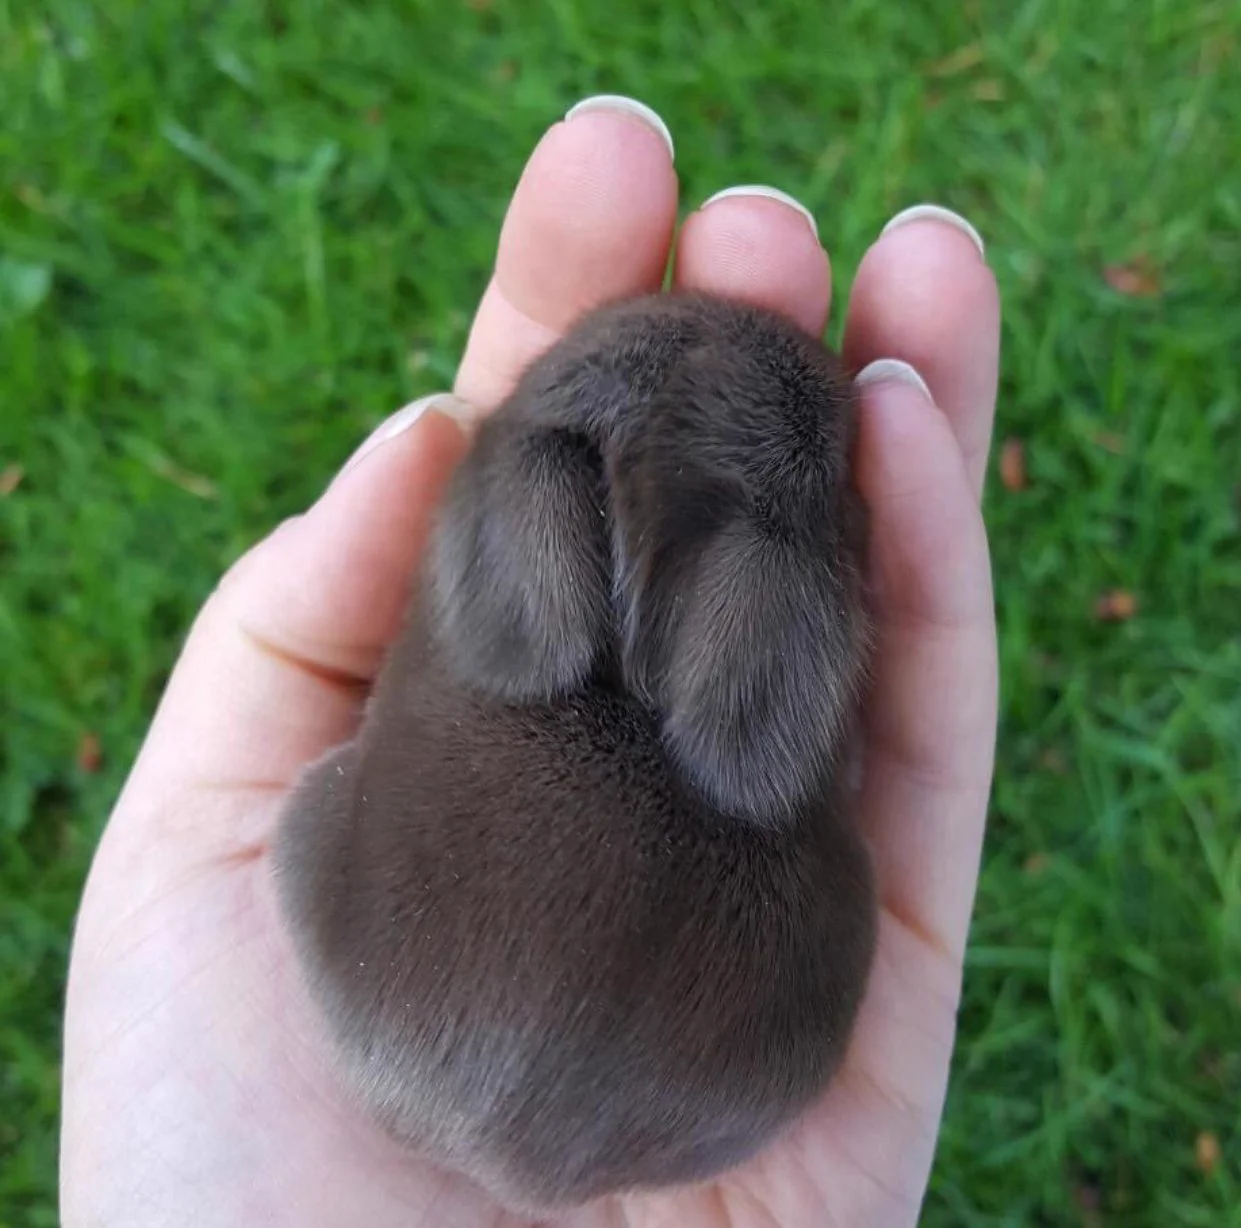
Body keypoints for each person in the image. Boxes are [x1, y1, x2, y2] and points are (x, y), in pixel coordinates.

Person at [59, 95, 1001, 1227]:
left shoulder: (529, 492)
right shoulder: (771, 610)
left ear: (532, 494)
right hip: (696, 1085)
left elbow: (569, 659)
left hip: (394, 1016)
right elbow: (748, 750)